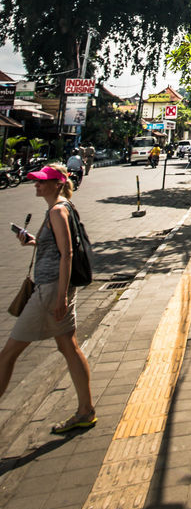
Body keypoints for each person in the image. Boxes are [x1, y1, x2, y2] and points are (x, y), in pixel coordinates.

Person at [0, 163, 96, 434]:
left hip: (50, 291)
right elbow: (60, 248)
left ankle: (86, 410)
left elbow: (66, 254)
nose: (37, 185)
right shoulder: (65, 207)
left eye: (42, 182)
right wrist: (33, 241)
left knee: (7, 354)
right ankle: (85, 411)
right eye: (36, 182)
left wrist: (61, 297)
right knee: (69, 347)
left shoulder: (57, 211)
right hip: (56, 289)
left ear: (57, 183)